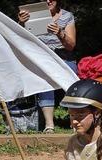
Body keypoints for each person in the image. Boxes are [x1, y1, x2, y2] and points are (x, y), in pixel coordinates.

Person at [18, 0, 77, 133]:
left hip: (63, 58)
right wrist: (21, 23)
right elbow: (18, 39)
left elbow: (71, 45)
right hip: (41, 58)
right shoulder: (30, 15)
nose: (48, 1)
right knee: (45, 80)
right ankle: (49, 124)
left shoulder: (67, 16)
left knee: (72, 83)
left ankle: (74, 121)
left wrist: (60, 33)